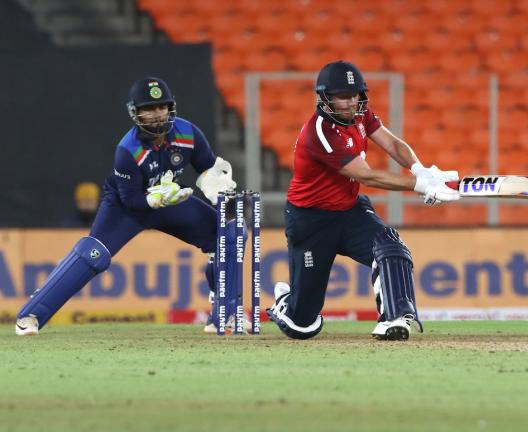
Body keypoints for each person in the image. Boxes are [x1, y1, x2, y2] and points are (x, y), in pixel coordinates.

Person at [15, 77, 237, 335]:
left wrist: (216, 186)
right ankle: (31, 315)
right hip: (125, 208)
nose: (156, 115)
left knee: (229, 234)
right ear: (136, 113)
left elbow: (208, 168)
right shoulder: (128, 150)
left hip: (170, 201)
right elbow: (131, 199)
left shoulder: (188, 133)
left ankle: (224, 315)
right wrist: (152, 199)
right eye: (149, 109)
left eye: (161, 107)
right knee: (92, 255)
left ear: (170, 108)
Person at [266, 61, 460, 341]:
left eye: (354, 95)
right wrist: (421, 186)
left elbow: (392, 144)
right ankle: (288, 304)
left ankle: (396, 318)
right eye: (341, 97)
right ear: (325, 98)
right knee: (302, 325)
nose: (348, 103)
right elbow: (365, 175)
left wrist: (422, 170)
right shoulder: (320, 132)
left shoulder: (360, 114)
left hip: (349, 210)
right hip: (311, 220)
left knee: (390, 246)